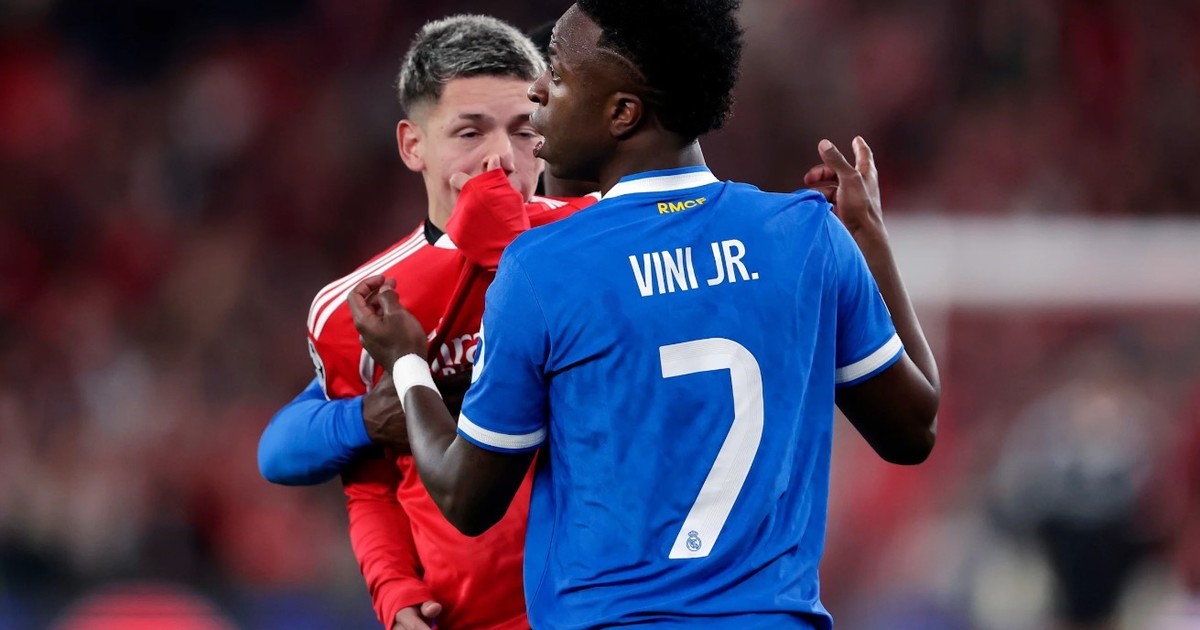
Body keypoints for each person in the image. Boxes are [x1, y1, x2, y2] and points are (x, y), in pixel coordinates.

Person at [349, 1, 940, 628]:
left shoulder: (544, 267)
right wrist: (868, 237)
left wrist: (407, 362)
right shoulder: (806, 235)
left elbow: (466, 498)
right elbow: (913, 430)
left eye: (558, 74)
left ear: (622, 113)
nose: (537, 89)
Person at [257, 15, 598, 630]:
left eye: (524, 131)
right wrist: (393, 591)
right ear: (413, 145)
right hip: (466, 618)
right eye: (470, 132)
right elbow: (369, 484)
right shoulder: (361, 306)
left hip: (609, 608)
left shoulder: (600, 237)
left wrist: (507, 248)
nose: (501, 157)